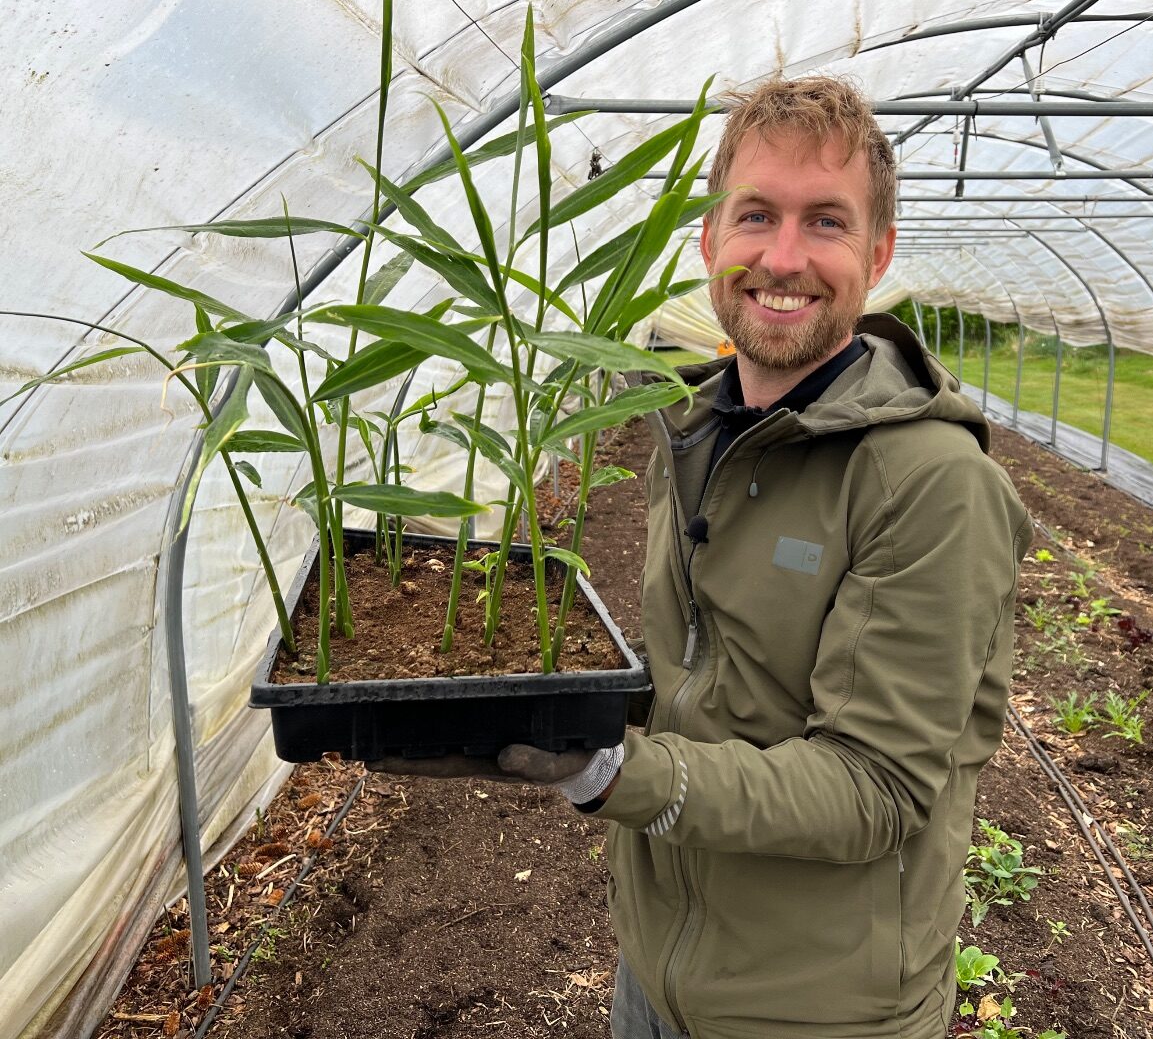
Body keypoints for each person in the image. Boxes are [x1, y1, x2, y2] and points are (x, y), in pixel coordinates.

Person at [370, 76, 1033, 1039]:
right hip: (658, 967)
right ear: (709, 240)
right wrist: (522, 697)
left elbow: (875, 788)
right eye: (756, 214)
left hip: (818, 1011)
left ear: (879, 254)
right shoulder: (692, 429)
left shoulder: (927, 483)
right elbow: (697, 679)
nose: (784, 255)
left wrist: (608, 772)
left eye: (827, 223)